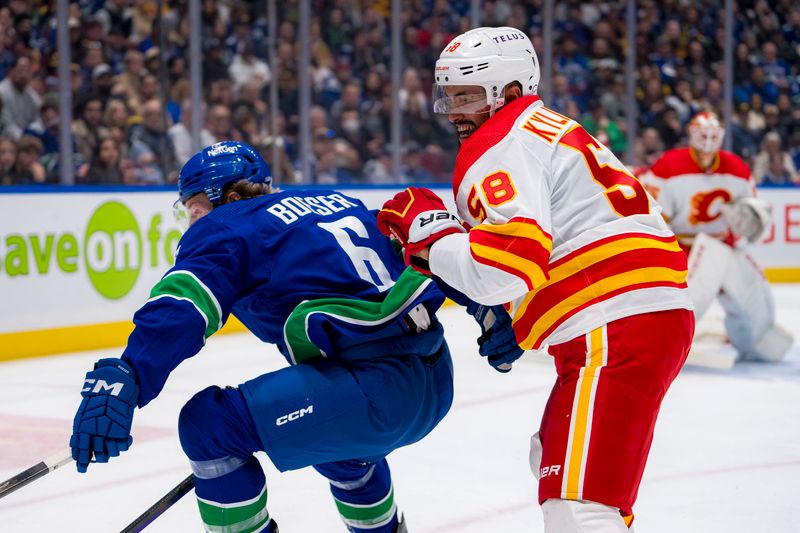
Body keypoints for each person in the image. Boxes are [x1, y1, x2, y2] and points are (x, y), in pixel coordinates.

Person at [376, 27, 695, 532]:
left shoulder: (500, 140)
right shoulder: (544, 127)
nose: (455, 109)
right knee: (551, 453)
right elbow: (543, 249)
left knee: (578, 506)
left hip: (612, 323)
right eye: (450, 96)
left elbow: (506, 268)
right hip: (633, 317)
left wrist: (431, 236)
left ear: (510, 90)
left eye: (469, 95)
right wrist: (510, 313)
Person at [69, 141, 455, 533]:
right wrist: (488, 311)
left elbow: (182, 306)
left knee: (211, 425)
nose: (193, 223)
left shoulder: (229, 224)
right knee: (339, 451)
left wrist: (129, 373)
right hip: (435, 373)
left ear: (231, 197)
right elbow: (432, 252)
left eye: (196, 210)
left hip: (375, 393)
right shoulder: (332, 199)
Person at [640, 111, 793, 362]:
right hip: (680, 248)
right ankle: (660, 343)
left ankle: (755, 339)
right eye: (702, 136)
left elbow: (753, 213)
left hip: (722, 244)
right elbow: (655, 217)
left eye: (713, 136)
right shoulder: (669, 165)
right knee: (686, 301)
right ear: (691, 135)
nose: (708, 144)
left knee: (753, 288)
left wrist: (742, 230)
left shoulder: (736, 168)